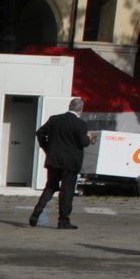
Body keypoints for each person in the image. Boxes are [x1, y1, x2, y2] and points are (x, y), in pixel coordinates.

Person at [29, 96, 97, 230]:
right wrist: (89, 138)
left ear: (69, 106)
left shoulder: (55, 119)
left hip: (54, 160)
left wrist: (47, 148)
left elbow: (40, 133)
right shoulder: (80, 124)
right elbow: (83, 143)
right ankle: (63, 220)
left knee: (50, 187)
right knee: (67, 191)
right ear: (81, 109)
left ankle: (38, 209)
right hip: (71, 163)